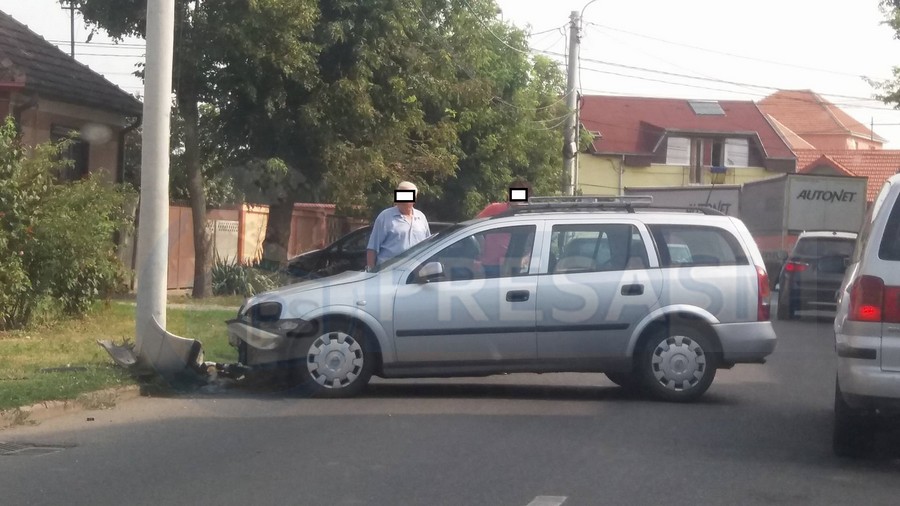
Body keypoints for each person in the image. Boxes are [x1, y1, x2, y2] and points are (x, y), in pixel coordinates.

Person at [366, 181, 431, 269]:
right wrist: (371, 271)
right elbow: (372, 248)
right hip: (388, 272)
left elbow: (428, 246)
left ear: (414, 198)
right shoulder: (385, 216)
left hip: (415, 272)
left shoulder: (421, 217)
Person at [476, 178, 533, 277]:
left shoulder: (532, 216)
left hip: (516, 267)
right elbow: (473, 228)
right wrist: (480, 249)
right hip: (490, 265)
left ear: (528, 197)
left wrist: (526, 258)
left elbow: (535, 242)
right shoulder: (495, 209)